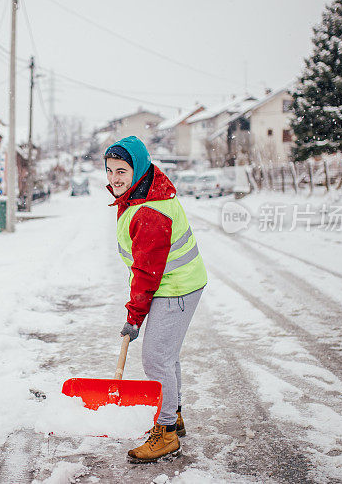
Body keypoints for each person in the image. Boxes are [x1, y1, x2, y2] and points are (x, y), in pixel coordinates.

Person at [104, 135, 207, 463]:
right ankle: (173, 416)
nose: (115, 178)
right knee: (167, 355)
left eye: (122, 170)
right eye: (109, 170)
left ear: (138, 169)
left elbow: (148, 273)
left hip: (175, 287)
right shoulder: (141, 192)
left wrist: (134, 317)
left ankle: (165, 435)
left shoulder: (149, 209)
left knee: (155, 358)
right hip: (177, 283)